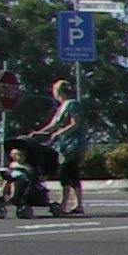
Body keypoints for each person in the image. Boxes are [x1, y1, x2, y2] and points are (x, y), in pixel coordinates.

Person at [35, 78, 82, 215]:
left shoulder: (73, 105)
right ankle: (78, 205)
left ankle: (63, 204)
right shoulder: (61, 107)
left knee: (65, 173)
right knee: (72, 175)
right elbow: (53, 126)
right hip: (63, 145)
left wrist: (58, 133)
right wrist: (39, 133)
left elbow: (75, 123)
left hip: (72, 145)